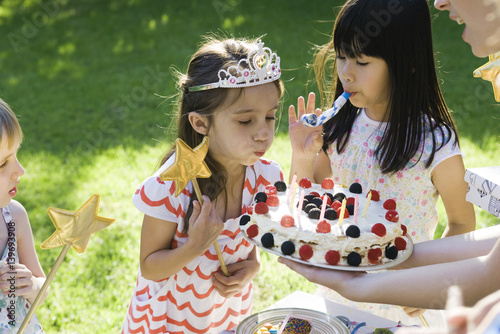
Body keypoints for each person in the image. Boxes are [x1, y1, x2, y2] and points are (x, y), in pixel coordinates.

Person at [280, 0, 500, 319]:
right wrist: (301, 157)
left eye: (362, 61)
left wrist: (425, 285)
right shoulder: (339, 129)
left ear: (406, 62)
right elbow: (306, 203)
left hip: (404, 305)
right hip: (338, 290)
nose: (346, 73)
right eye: (341, 57)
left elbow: (462, 223)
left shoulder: (434, 142)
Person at [121, 36, 284, 334]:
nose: (263, 133)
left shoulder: (266, 178)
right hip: (170, 318)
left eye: (270, 117)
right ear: (200, 123)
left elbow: (249, 239)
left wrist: (253, 266)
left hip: (225, 314)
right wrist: (196, 245)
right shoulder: (173, 186)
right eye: (246, 121)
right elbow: (150, 265)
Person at [0, 98, 46, 333]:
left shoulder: (14, 217)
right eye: (3, 164)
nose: (20, 170)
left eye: (16, 155)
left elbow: (42, 286)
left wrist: (32, 285)